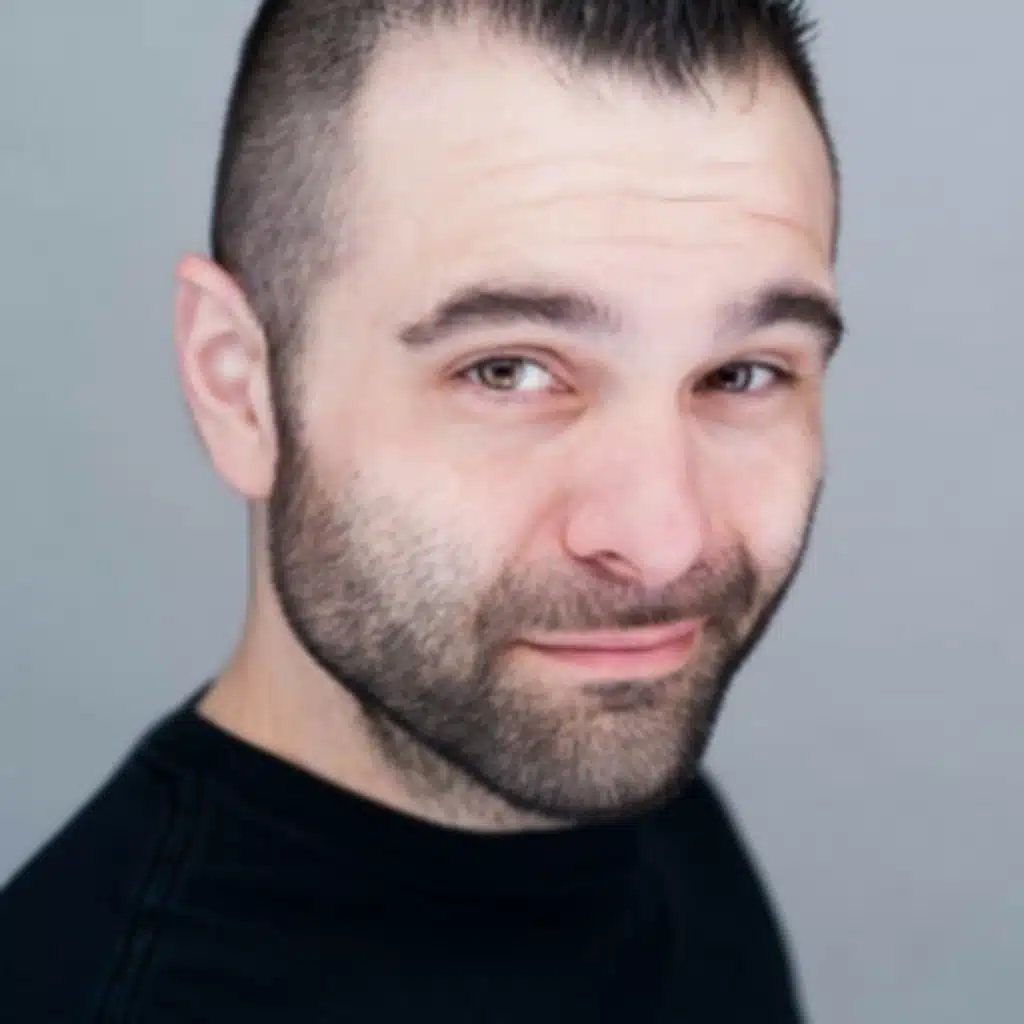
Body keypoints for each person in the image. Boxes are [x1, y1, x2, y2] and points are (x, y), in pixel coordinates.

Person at [0, 1, 843, 1020]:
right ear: (240, 388)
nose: (663, 544)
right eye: (508, 369)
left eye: (742, 373)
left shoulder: (630, 795)